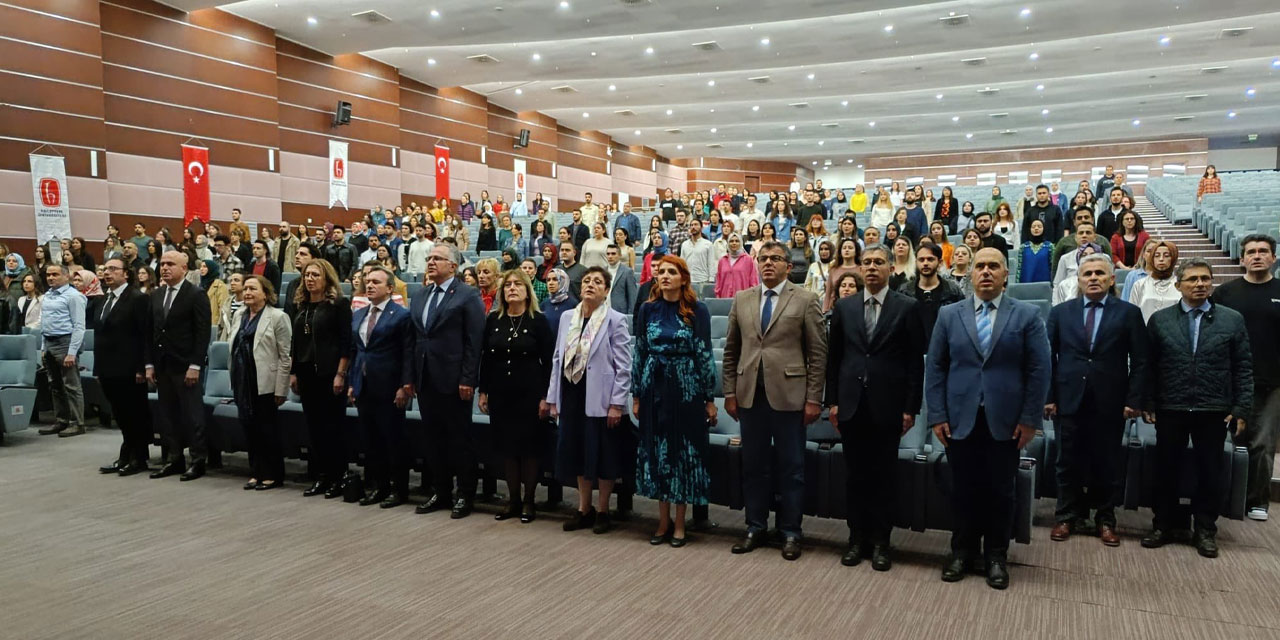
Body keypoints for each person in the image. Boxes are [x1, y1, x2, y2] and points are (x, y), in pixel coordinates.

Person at [925, 248, 1051, 590]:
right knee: (963, 489)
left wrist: (1030, 419)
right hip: (959, 418)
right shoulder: (949, 314)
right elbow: (935, 367)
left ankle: (996, 556)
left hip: (1007, 421)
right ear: (971, 273)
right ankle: (961, 552)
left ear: (1005, 273)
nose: (985, 272)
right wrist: (936, 415)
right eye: (979, 266)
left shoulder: (1026, 315)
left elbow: (1039, 370)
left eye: (993, 266)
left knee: (1000, 491)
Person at [722, 241, 827, 561]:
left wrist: (813, 399)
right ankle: (755, 526)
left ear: (788, 265)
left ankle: (791, 532)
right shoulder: (742, 299)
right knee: (753, 466)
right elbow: (731, 350)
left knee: (791, 468)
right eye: (763, 258)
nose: (768, 263)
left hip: (791, 398)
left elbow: (818, 354)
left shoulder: (806, 299)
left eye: (775, 259)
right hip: (750, 396)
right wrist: (729, 392)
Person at [1142, 258, 1253, 558]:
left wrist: (1241, 407)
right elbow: (1149, 367)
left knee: (1210, 471)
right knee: (1166, 469)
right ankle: (1163, 524)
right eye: (1192, 279)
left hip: (1213, 408)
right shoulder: (1160, 320)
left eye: (1205, 278)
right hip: (1171, 405)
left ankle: (1204, 529)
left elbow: (1243, 366)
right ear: (1178, 285)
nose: (1200, 284)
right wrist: (1149, 401)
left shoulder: (1232, 320)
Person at [826, 243, 924, 570]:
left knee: (884, 477)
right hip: (852, 405)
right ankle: (856, 539)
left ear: (889, 269)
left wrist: (911, 407)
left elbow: (914, 363)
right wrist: (834, 402)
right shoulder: (845, 307)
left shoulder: (907, 307)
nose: (871, 267)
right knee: (855, 476)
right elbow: (835, 358)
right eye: (866, 262)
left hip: (889, 406)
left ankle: (882, 542)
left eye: (878, 262)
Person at [1044, 254, 1148, 547]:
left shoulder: (1128, 313)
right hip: (1068, 399)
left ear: (1111, 279)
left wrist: (1134, 398)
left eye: (1099, 273)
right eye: (1087, 273)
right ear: (1078, 279)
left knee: (1108, 463)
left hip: (1111, 400)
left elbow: (1141, 360)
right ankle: (1066, 516)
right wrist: (1049, 396)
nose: (1093, 278)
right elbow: (1047, 358)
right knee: (1067, 461)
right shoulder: (1061, 312)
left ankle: (1105, 519)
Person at [632, 256, 717, 547]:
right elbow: (640, 351)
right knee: (658, 451)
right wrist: (636, 394)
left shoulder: (697, 310)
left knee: (682, 453)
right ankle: (663, 521)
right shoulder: (647, 310)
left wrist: (709, 398)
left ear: (683, 277)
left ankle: (681, 523)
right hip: (653, 384)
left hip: (686, 386)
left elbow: (705, 354)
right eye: (661, 272)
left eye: (671, 272)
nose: (664, 276)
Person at [547, 266, 633, 534]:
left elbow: (624, 366)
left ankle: (604, 510)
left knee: (604, 456)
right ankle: (584, 508)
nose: (590, 285)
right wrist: (552, 399)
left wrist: (617, 403)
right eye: (586, 281)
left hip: (602, 398)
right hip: (572, 393)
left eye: (597, 281)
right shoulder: (567, 318)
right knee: (578, 453)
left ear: (606, 290)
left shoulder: (615, 320)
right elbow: (557, 360)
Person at [411, 244, 486, 518]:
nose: (431, 262)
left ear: (453, 266)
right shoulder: (420, 296)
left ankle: (465, 494)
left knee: (459, 439)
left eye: (437, 259)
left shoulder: (467, 295)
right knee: (432, 439)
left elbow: (474, 341)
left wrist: (468, 378)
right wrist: (411, 377)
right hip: (425, 378)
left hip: (455, 380)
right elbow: (415, 339)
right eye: (429, 258)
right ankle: (440, 491)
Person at [1211, 234, 1280, 521]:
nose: (1257, 256)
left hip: (1273, 381)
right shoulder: (1226, 293)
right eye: (1251, 252)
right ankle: (1222, 497)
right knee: (1224, 442)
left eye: (1263, 251)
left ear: (1273, 258)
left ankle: (1256, 500)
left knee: (1262, 444)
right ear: (1241, 259)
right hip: (1228, 379)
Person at [478, 269, 555, 523]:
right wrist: (484, 390)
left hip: (530, 393)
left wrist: (546, 397)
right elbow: (486, 359)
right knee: (507, 448)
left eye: (517, 284)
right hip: (501, 392)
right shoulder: (494, 320)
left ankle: (529, 502)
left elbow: (549, 362)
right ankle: (513, 500)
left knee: (529, 448)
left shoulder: (538, 321)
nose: (512, 288)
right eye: (507, 285)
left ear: (527, 290)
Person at [347, 266, 415, 508]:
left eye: (376, 281)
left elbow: (408, 352)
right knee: (371, 440)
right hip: (364, 385)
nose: (370, 285)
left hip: (390, 386)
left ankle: (399, 490)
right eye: (367, 281)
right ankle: (379, 486)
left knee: (393, 440)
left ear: (389, 288)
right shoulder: (359, 314)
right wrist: (352, 382)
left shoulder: (401, 315)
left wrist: (403, 386)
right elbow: (356, 351)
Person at [147, 251, 212, 481]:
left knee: (192, 415)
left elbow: (203, 334)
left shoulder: (195, 294)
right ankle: (174, 459)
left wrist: (195, 365)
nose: (164, 268)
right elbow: (151, 332)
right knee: (167, 415)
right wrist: (149, 364)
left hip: (186, 365)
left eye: (170, 264)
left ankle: (197, 460)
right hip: (163, 364)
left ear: (184, 268)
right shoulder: (156, 295)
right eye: (162, 264)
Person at [290, 259, 352, 498]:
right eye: (307, 275)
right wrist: (294, 372)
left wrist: (340, 373)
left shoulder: (338, 304)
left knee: (332, 428)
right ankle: (322, 477)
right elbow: (296, 343)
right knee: (314, 428)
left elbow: (346, 343)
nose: (310, 279)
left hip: (329, 374)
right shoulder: (301, 306)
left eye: (315, 275)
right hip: (306, 374)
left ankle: (338, 477)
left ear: (326, 278)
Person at [227, 276, 292, 491]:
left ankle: (272, 474)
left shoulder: (277, 317)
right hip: (241, 381)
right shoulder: (239, 315)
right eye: (245, 288)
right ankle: (256, 472)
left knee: (267, 430)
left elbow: (285, 356)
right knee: (249, 428)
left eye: (253, 288)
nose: (247, 292)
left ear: (265, 293)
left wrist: (281, 388)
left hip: (265, 381)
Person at [94, 257, 153, 475]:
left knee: (134, 413)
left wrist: (141, 367)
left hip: (129, 368)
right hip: (108, 368)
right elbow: (99, 337)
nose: (107, 273)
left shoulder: (137, 299)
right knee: (120, 413)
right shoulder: (103, 300)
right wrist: (97, 369)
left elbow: (143, 335)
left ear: (126, 273)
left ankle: (138, 457)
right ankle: (127, 454)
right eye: (105, 269)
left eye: (112, 269)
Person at [36, 264, 88, 438]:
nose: (50, 277)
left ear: (66, 277)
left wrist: (72, 352)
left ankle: (77, 423)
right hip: (49, 342)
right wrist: (44, 348)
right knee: (55, 385)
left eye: (55, 274)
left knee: (71, 385)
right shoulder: (47, 296)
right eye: (48, 275)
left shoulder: (74, 296)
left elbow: (79, 326)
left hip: (66, 342)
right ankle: (62, 420)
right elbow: (44, 323)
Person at [898, 244, 965, 344]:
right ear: (916, 262)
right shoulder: (904, 291)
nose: (925, 263)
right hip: (912, 350)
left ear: (940, 262)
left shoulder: (953, 291)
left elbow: (962, 323)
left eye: (930, 259)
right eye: (921, 260)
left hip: (944, 349)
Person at [1129, 240, 1180, 322]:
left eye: (1166, 256)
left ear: (1173, 258)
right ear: (1152, 258)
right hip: (1146, 331)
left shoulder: (1180, 285)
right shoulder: (1139, 285)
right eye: (1157, 255)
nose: (1161, 259)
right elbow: (1131, 314)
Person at [715, 233, 758, 299]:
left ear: (741, 243)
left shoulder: (748, 260)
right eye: (731, 241)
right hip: (725, 298)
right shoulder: (722, 260)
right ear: (728, 243)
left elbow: (753, 282)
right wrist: (718, 296)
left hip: (743, 299)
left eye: (737, 241)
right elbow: (718, 282)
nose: (734, 243)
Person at [680, 219, 715, 286]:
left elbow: (711, 263)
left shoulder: (708, 244)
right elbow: (682, 263)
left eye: (696, 225)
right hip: (688, 280)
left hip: (703, 280)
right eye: (691, 225)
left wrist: (711, 279)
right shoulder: (684, 244)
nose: (693, 227)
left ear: (701, 228)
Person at [605, 244, 638, 314]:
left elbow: (632, 297)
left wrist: (630, 315)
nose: (610, 256)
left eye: (613, 254)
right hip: (603, 311)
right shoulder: (602, 271)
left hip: (620, 312)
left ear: (620, 255)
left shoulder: (627, 272)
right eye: (608, 254)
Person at [1018, 219, 1053, 283]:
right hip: (1025, 285)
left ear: (1044, 229)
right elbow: (1019, 269)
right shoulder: (1023, 247)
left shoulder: (1050, 246)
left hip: (1045, 285)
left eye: (1039, 226)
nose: (1036, 228)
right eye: (1033, 227)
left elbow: (1053, 268)